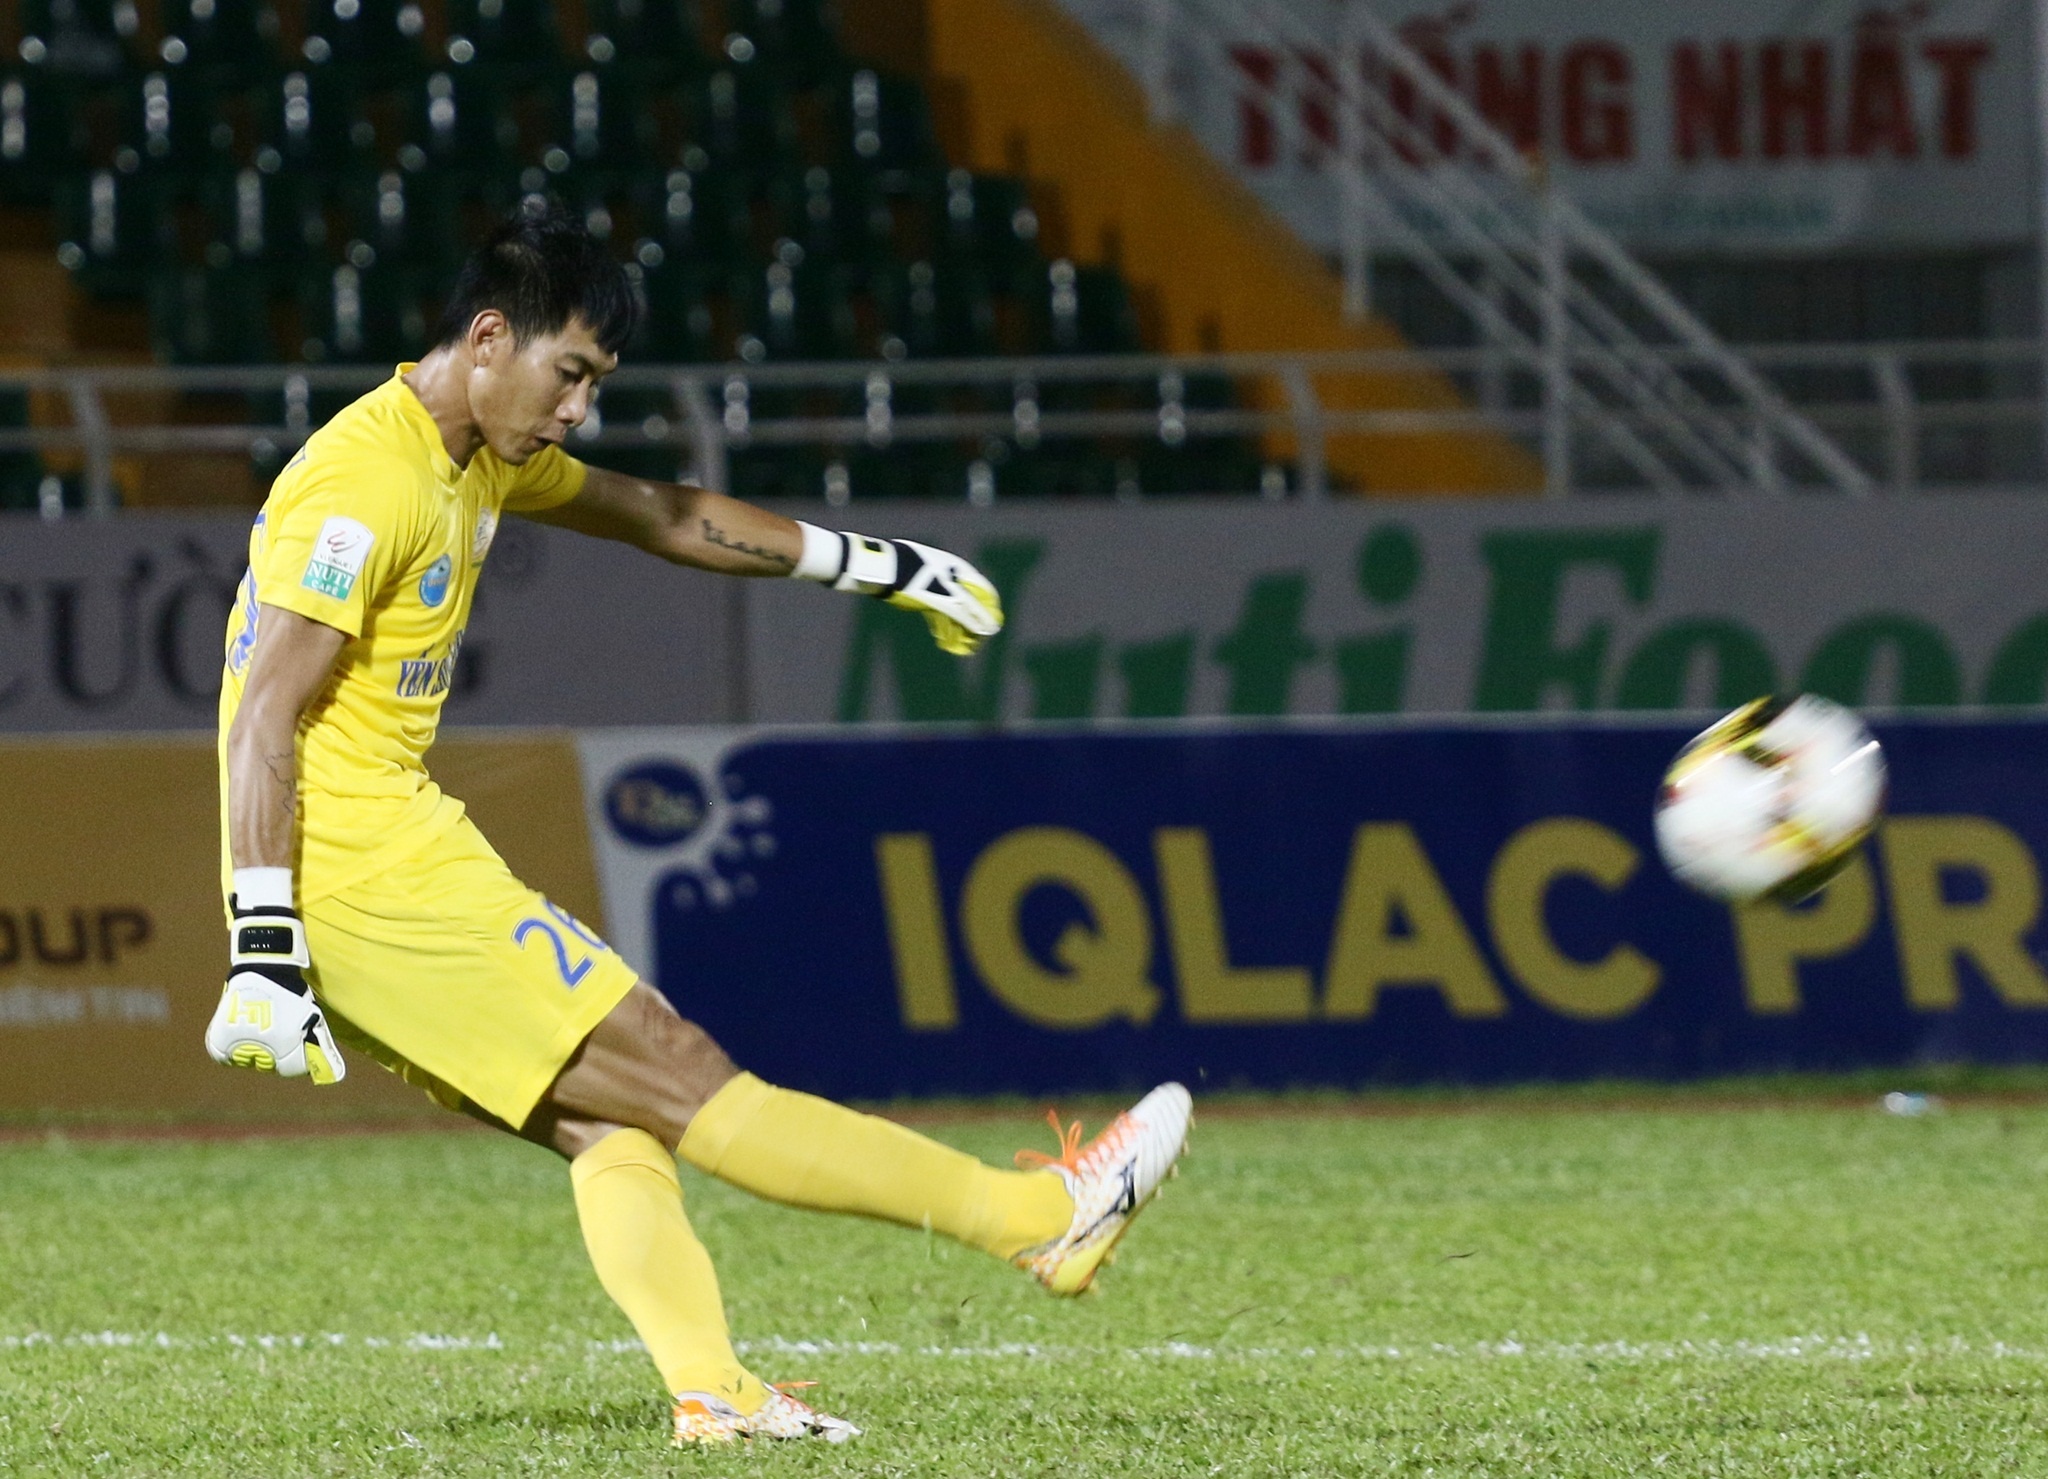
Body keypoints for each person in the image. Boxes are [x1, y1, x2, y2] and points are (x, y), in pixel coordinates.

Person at [205, 202, 1192, 1447]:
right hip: (363, 874)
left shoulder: (473, 453)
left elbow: (661, 516)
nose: (578, 410)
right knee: (682, 1075)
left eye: (595, 385)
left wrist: (875, 564)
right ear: (490, 338)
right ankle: (1038, 1221)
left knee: (608, 1120)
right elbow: (266, 713)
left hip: (369, 868)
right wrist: (263, 942)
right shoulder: (367, 476)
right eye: (569, 373)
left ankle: (711, 1392)